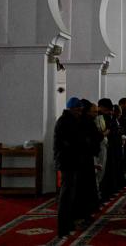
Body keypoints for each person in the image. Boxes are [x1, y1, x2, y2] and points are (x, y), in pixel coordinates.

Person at [54, 97, 83, 237]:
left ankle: (69, 223)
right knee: (66, 195)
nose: (79, 112)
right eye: (77, 110)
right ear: (71, 109)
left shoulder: (71, 120)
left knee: (71, 194)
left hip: (72, 161)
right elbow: (67, 143)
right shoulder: (64, 121)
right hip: (67, 161)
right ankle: (63, 227)